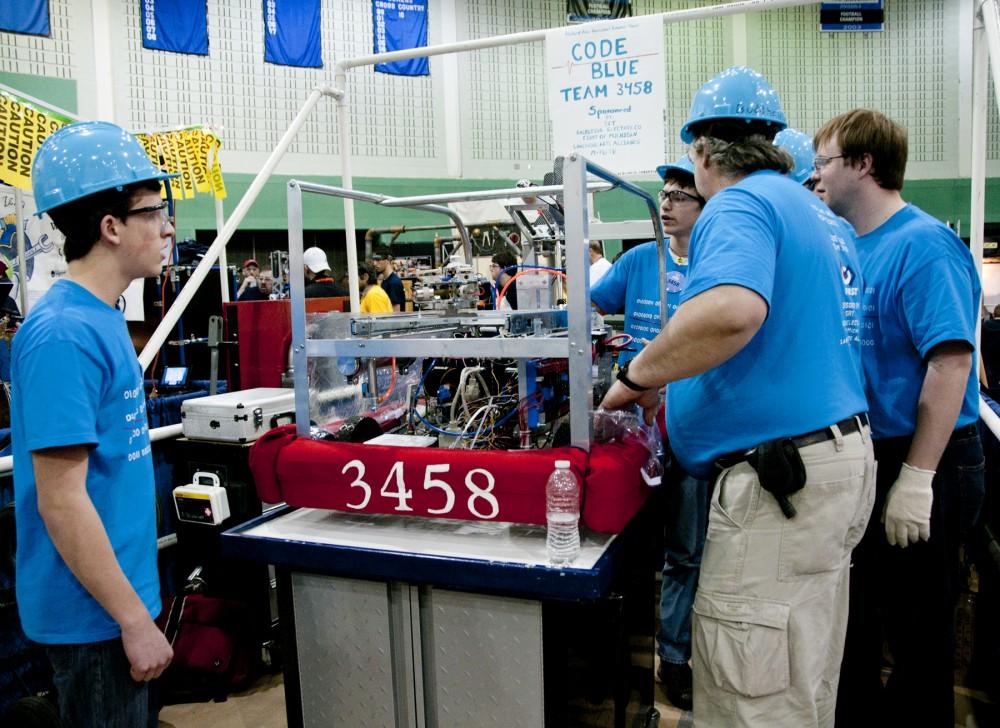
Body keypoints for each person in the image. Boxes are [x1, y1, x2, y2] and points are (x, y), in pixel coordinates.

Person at [600, 66, 872, 727]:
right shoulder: (816, 213)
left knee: (749, 689)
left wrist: (637, 376)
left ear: (699, 153)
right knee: (796, 672)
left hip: (779, 484)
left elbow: (731, 311)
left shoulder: (741, 203)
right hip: (830, 465)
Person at [812, 109, 984, 728]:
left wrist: (917, 478)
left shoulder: (922, 245)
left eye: (825, 162)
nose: (818, 176)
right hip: (875, 453)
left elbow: (951, 365)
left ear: (863, 164)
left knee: (918, 632)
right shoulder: (850, 246)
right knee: (859, 621)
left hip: (927, 454)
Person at [14, 121, 175, 727]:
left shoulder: (103, 316)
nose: (165, 228)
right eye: (153, 212)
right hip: (95, 619)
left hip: (118, 601)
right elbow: (62, 502)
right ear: (111, 227)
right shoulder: (63, 335)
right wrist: (132, 621)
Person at [592, 153, 707, 710]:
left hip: (694, 431)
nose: (666, 203)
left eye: (680, 194)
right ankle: (623, 654)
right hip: (632, 431)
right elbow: (588, 309)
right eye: (663, 194)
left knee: (685, 551)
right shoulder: (639, 262)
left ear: (705, 204)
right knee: (628, 544)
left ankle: (676, 657)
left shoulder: (716, 265)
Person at [373, 247, 406, 312]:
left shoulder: (393, 283)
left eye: (378, 260)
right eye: (374, 260)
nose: (374, 263)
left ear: (388, 260)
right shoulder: (386, 280)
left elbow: (395, 314)